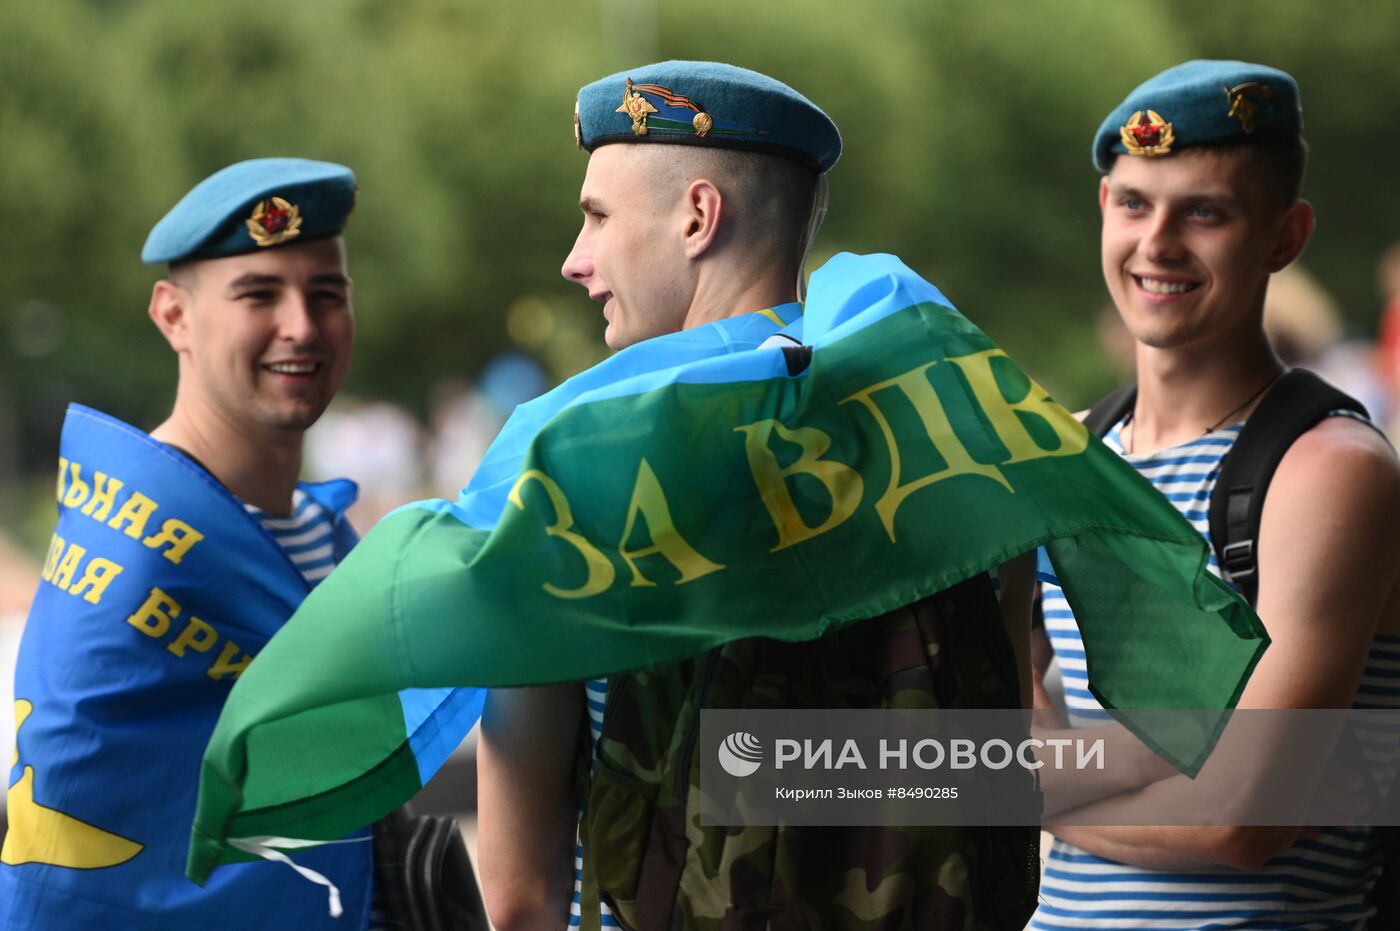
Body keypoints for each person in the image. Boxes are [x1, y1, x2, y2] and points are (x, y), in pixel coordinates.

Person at [475, 60, 1039, 931]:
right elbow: (991, 774)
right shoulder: (952, 453)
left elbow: (519, 896)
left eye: (595, 218)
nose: (574, 260)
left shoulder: (572, 472)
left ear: (698, 216)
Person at [1032, 61, 1400, 928]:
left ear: (1284, 235)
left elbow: (1241, 819)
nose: (1156, 243)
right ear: (1103, 210)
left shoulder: (1328, 468)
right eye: (1133, 203)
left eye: (1204, 211)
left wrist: (1038, 788)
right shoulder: (1064, 455)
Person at [0, 158, 375, 928]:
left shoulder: (328, 537)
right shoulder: (133, 552)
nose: (301, 324)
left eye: (326, 293)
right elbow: (55, 878)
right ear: (173, 315)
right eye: (259, 293)